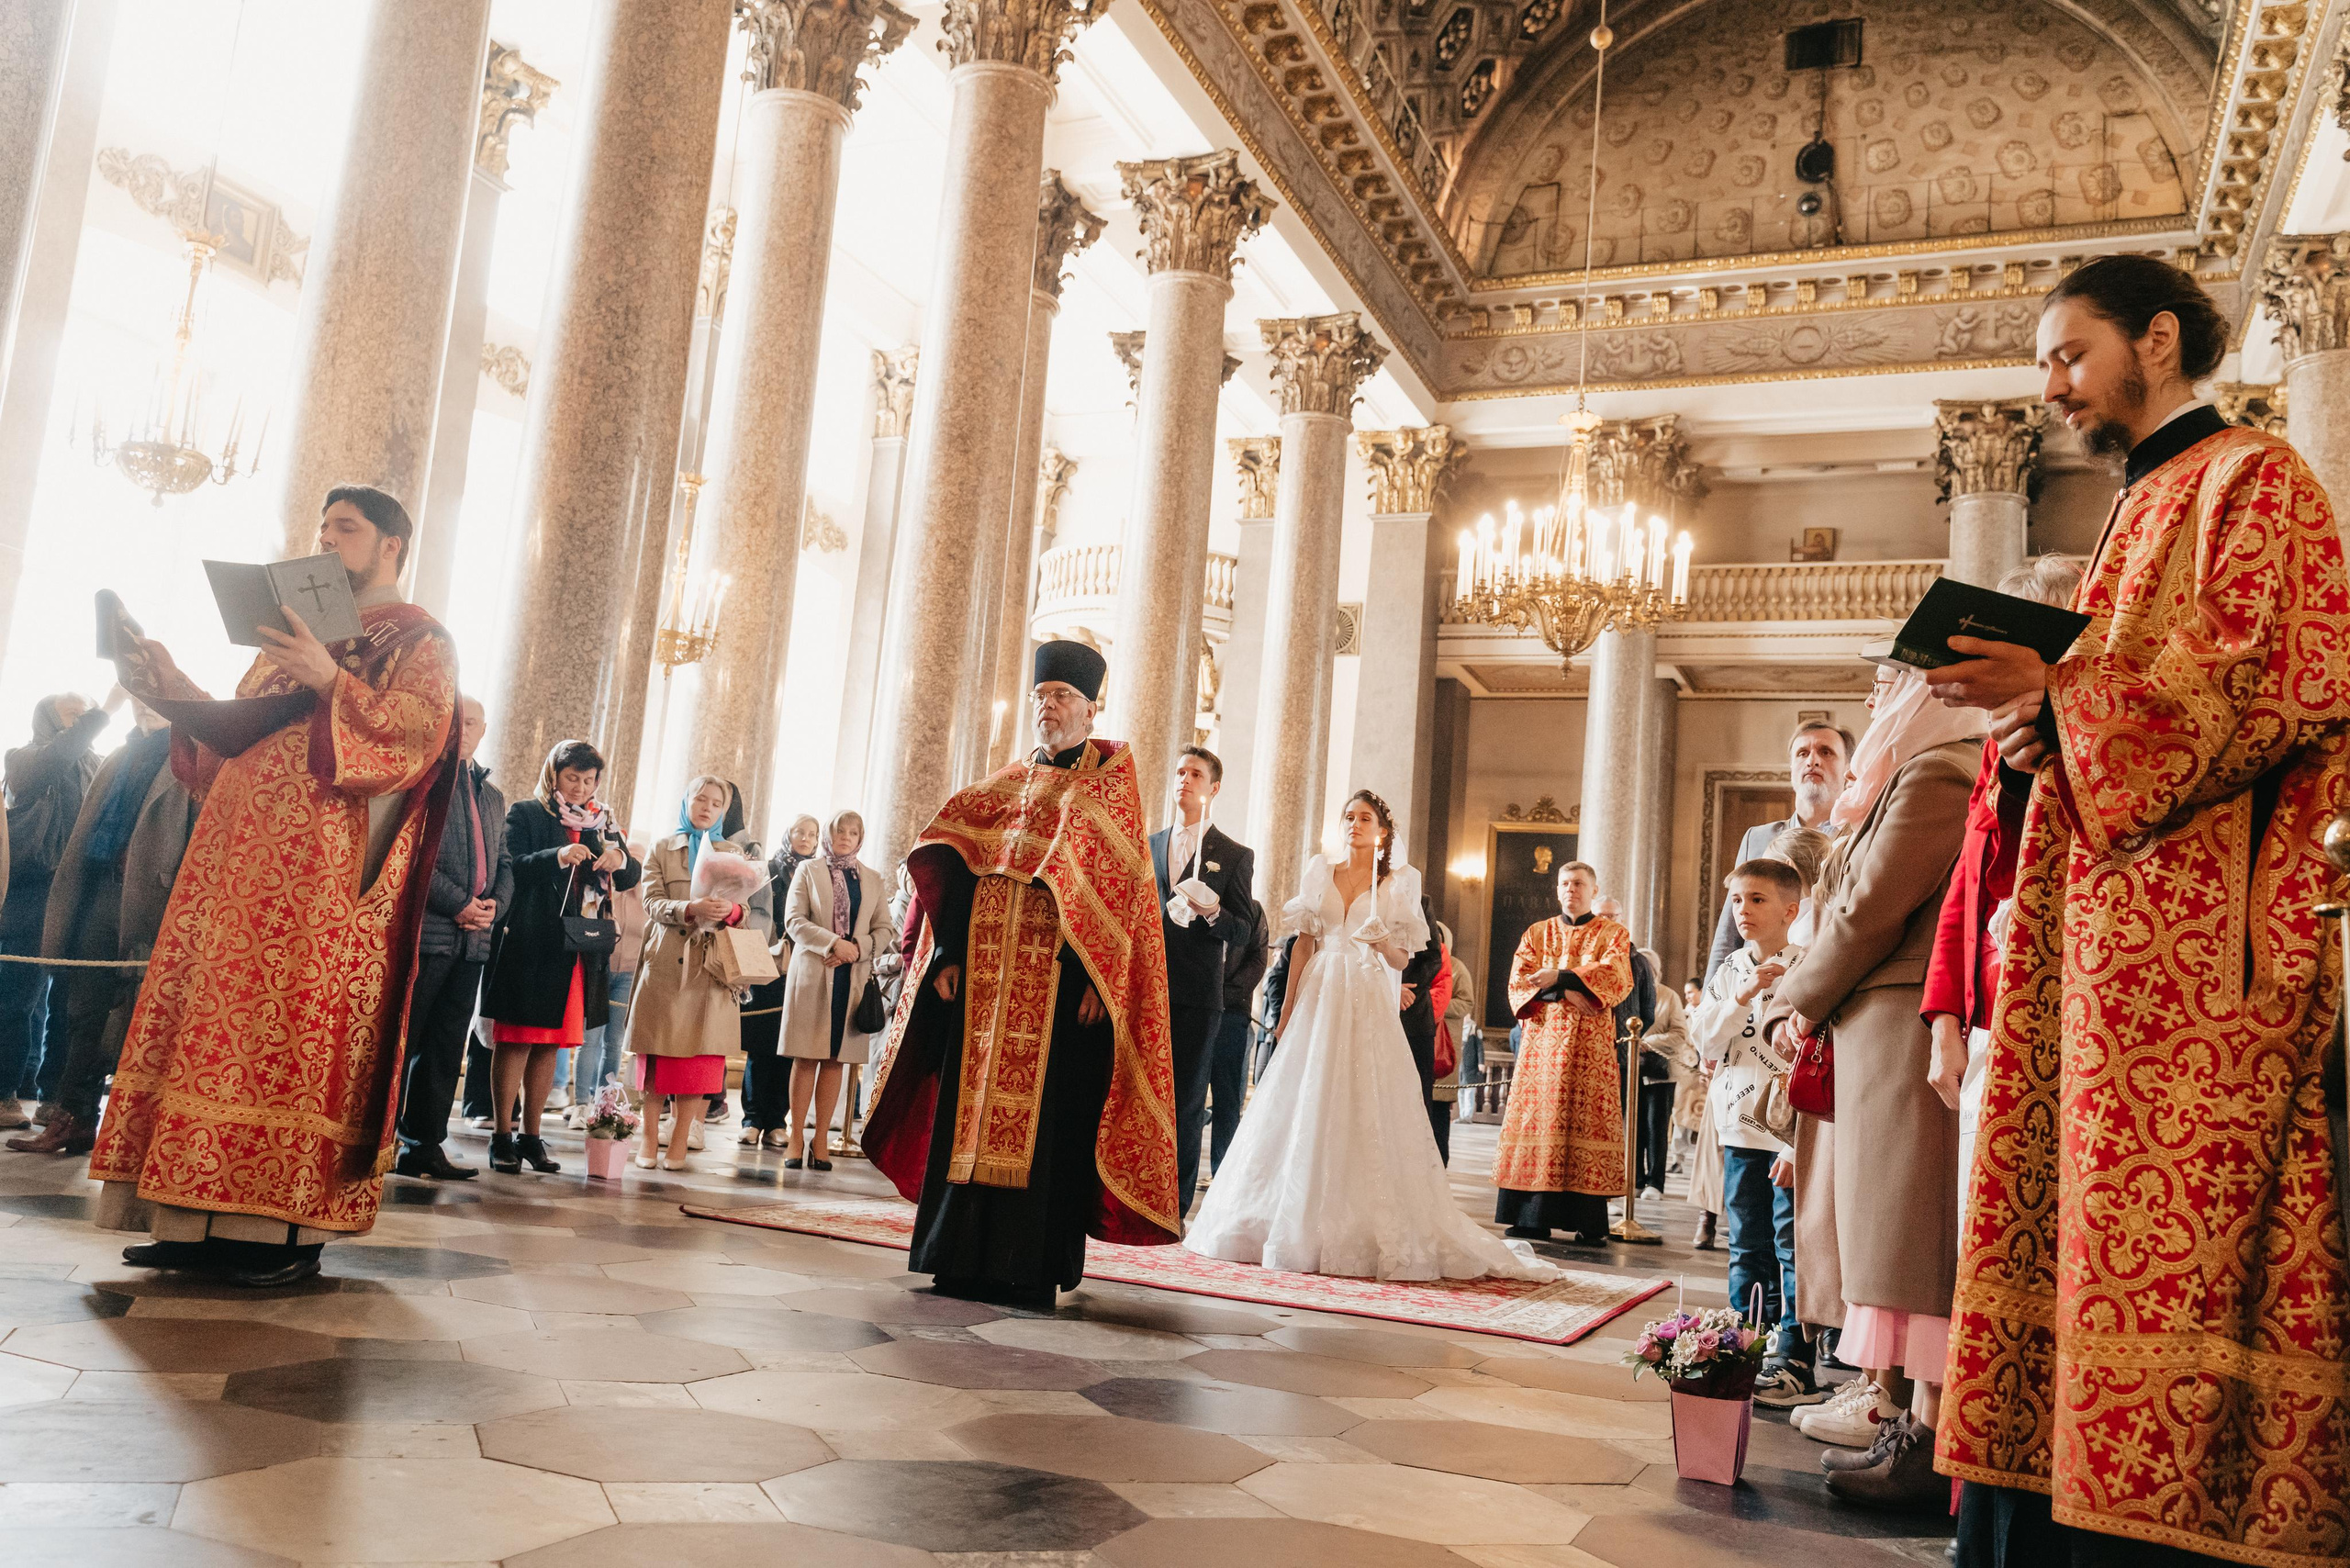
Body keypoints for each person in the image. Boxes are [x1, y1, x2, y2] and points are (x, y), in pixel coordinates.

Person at [1925, 255, 2350, 1566]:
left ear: (2157, 341)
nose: (2049, 386)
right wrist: (2036, 709)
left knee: (2170, 1259)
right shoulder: (2140, 505)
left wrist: (2060, 696)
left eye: (2068, 354)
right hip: (2101, 952)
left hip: (2200, 974)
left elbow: (2272, 680)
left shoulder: (2253, 481)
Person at [91, 484, 460, 1287]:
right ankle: (192, 1221)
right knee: (214, 1030)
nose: (327, 539)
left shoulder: (418, 636)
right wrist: (169, 684)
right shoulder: (289, 634)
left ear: (392, 545)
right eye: (322, 526)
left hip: (324, 877)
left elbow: (416, 738)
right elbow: (235, 738)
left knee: (289, 1036)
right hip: (236, 864)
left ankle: (277, 1236)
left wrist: (333, 680)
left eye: (347, 529)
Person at [864, 641, 1181, 1309]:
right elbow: (954, 870)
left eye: (1062, 697)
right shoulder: (1004, 786)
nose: (1048, 707)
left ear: (1092, 709)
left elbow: (1122, 905)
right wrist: (946, 954)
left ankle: (1025, 1266)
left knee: (1048, 1131)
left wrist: (1102, 982)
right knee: (967, 1118)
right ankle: (957, 1256)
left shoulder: (1109, 798)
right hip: (982, 986)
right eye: (1042, 697)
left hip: (1061, 994)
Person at [1762, 657, 1986, 1503]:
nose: (1872, 698)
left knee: (1909, 1230)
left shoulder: (1939, 771)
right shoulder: (1910, 770)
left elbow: (1870, 908)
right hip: (1873, 1012)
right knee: (1879, 1229)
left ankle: (1925, 1438)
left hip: (1898, 1011)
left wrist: (1798, 996)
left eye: (1888, 681)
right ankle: (1901, 1416)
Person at [1186, 790, 1552, 1281]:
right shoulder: (1321, 871)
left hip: (1364, 993)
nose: (1354, 825)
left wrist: (1384, 945)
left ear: (1382, 831)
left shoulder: (1400, 882)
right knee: (1303, 1096)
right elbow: (1303, 945)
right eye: (1348, 817)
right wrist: (1288, 1009)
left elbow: (1404, 960)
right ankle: (1280, 1219)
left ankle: (1359, 1223)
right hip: (1320, 989)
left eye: (1364, 818)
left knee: (1364, 1098)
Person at [1919, 557, 2084, 1226]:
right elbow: (1969, 884)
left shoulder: (2094, 726)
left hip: (2074, 993)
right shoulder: (1994, 746)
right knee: (1985, 1218)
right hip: (1992, 1010)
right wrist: (1945, 1020)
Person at [7, 700, 194, 1156]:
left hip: (152, 896)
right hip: (99, 890)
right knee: (83, 1012)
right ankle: (72, 1117)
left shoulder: (190, 755)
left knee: (136, 1017)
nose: (142, 707)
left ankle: (134, 1130)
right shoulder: (117, 755)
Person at [481, 738, 640, 1175]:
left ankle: (532, 1137)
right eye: (573, 778)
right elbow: (511, 865)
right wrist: (558, 855)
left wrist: (616, 855)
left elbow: (631, 875)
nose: (581, 788)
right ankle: (501, 1136)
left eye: (589, 780)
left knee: (551, 1042)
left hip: (576, 948)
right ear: (553, 774)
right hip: (531, 943)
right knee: (517, 1038)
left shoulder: (600, 821)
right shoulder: (528, 813)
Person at [1691, 858, 1811, 1407]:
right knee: (1745, 1245)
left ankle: (1791, 1357)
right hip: (1739, 1124)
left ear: (1791, 910)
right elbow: (1706, 1043)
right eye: (1737, 900)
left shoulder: (1808, 966)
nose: (1744, 911)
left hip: (1788, 1129)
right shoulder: (1731, 969)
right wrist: (1741, 997)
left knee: (1791, 1245)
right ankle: (1744, 1345)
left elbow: (1814, 1054)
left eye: (1758, 900)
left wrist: (1795, 1140)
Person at [393, 696, 509, 1180]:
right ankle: (379, 1143)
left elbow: (503, 861)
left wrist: (495, 906)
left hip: (473, 942)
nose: (465, 728)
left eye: (473, 722)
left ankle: (425, 1145)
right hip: (431, 934)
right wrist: (458, 903)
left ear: (484, 730)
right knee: (404, 1043)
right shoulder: (424, 782)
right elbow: (413, 855)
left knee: (445, 1050)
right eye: (457, 720)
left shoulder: (492, 795)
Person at [1493, 860, 1633, 1246]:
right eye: (1565, 883)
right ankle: (1529, 1217)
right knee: (1539, 1121)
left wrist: (1559, 976)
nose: (1571, 889)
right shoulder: (1536, 933)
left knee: (1583, 1122)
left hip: (1590, 1052)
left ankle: (1586, 1219)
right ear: (1557, 890)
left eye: (1579, 883)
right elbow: (1519, 981)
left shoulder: (1612, 932)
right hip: (1542, 1049)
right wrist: (1568, 988)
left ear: (1593, 888)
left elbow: (1617, 977)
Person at [1148, 745, 1257, 1218]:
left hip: (1197, 993)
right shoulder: (1148, 844)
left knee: (1188, 1101)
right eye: (1179, 771)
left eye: (1195, 774)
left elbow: (1244, 929)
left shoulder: (1233, 854)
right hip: (1146, 987)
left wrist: (1212, 911)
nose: (1184, 780)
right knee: (1143, 1092)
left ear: (1213, 789)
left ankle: (1173, 1205)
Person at [0, 689, 116, 1127]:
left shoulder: (96, 762)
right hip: (32, 893)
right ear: (47, 718)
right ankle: (4, 1095)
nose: (83, 721)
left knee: (70, 1003)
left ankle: (54, 1098)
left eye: (86, 714)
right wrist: (105, 710)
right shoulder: (24, 757)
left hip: (78, 892)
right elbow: (54, 759)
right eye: (73, 713)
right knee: (17, 998)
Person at [778, 810, 892, 1169]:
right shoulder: (808, 870)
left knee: (835, 1059)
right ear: (830, 834)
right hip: (814, 972)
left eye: (853, 832)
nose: (846, 836)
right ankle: (796, 1136)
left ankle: (822, 1138)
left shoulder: (872, 878)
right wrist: (832, 944)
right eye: (840, 830)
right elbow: (794, 921)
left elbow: (885, 928)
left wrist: (856, 948)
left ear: (861, 838)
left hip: (852, 976)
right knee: (806, 1054)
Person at [1705, 722, 1852, 983]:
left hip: (1828, 984)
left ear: (1848, 769)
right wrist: (1710, 1006)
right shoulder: (1758, 839)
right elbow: (1729, 933)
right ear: (1791, 769)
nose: (1813, 761)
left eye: (1826, 752)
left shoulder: (1858, 837)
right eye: (1802, 753)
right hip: (1756, 989)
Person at [740, 812, 818, 1148]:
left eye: (812, 834)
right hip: (765, 962)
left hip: (799, 969)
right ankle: (752, 1119)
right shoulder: (767, 869)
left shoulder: (817, 874)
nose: (805, 838)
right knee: (760, 1045)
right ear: (788, 834)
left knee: (787, 1048)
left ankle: (776, 1121)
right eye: (799, 831)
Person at [1205, 894, 1268, 1178]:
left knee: (1228, 1101)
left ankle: (1223, 1175)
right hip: (1194, 1007)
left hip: (1232, 1013)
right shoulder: (1197, 898)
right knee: (1187, 1098)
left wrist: (1223, 995)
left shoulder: (1253, 911)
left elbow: (1257, 960)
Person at [1635, 944, 1687, 1198]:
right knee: (1634, 1127)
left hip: (1660, 1072)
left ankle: (1655, 1182)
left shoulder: (1669, 996)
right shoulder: (1628, 995)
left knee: (1656, 1128)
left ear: (1656, 970)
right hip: (1632, 1070)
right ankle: (1635, 1179)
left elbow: (1680, 1033)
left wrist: (1648, 1043)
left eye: (1648, 968)